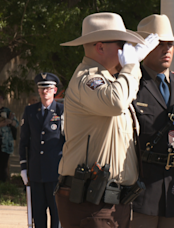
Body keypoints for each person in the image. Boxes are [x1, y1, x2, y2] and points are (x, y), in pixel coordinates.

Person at [56, 12, 159, 228]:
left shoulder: (111, 80)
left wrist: (128, 70)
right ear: (100, 47)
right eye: (122, 44)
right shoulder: (88, 79)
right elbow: (116, 102)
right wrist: (131, 66)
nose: (126, 50)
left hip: (110, 203)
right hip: (90, 202)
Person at [131, 14, 174, 228]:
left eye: (171, 45)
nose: (167, 49)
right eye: (159, 44)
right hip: (141, 191)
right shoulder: (131, 84)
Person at [19, 72, 64, 228]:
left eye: (48, 88)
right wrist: (24, 167)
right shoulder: (30, 111)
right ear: (38, 91)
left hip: (56, 172)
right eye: (42, 88)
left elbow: (68, 141)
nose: (45, 92)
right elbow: (24, 141)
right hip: (36, 172)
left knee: (56, 214)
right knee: (38, 214)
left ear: (55, 90)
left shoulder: (62, 111)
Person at [0, 91, 18, 182]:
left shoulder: (7, 111)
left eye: (0, 98)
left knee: (3, 165)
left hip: (5, 143)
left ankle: (4, 185)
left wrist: (10, 122)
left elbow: (16, 123)